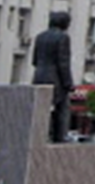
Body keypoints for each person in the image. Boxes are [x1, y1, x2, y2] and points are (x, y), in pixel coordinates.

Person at [30, 11, 74, 144]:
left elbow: (34, 60)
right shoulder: (63, 37)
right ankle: (60, 137)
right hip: (55, 78)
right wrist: (68, 83)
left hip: (38, 76)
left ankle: (38, 135)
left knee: (40, 109)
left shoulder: (40, 37)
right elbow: (63, 62)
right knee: (61, 108)